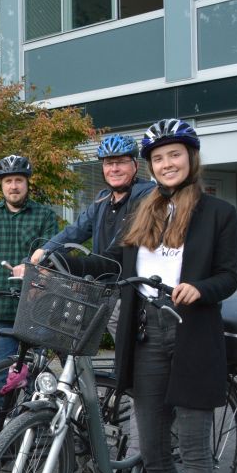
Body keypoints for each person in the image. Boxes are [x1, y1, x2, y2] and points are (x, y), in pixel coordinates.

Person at [54, 119, 237, 473]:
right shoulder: (144, 212)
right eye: (159, 158)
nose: (167, 163)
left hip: (192, 332)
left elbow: (228, 275)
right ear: (150, 166)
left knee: (193, 450)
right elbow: (112, 263)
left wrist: (201, 288)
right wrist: (54, 260)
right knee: (153, 449)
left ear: (190, 158)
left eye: (175, 155)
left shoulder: (217, 211)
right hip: (147, 333)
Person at [30, 134, 154, 337]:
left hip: (130, 293)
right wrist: (44, 251)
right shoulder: (103, 199)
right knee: (67, 339)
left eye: (121, 162)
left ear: (135, 165)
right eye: (108, 163)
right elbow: (75, 231)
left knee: (129, 357)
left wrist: (80, 265)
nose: (114, 168)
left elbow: (118, 246)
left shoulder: (146, 195)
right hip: (102, 290)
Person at [0, 155, 58, 392]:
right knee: (1, 381)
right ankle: (3, 429)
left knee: (37, 382)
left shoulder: (45, 215)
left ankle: (33, 427)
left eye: (18, 180)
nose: (13, 186)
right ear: (1, 185)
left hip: (35, 310)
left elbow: (52, 255)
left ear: (27, 183)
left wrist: (33, 266)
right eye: (8, 181)